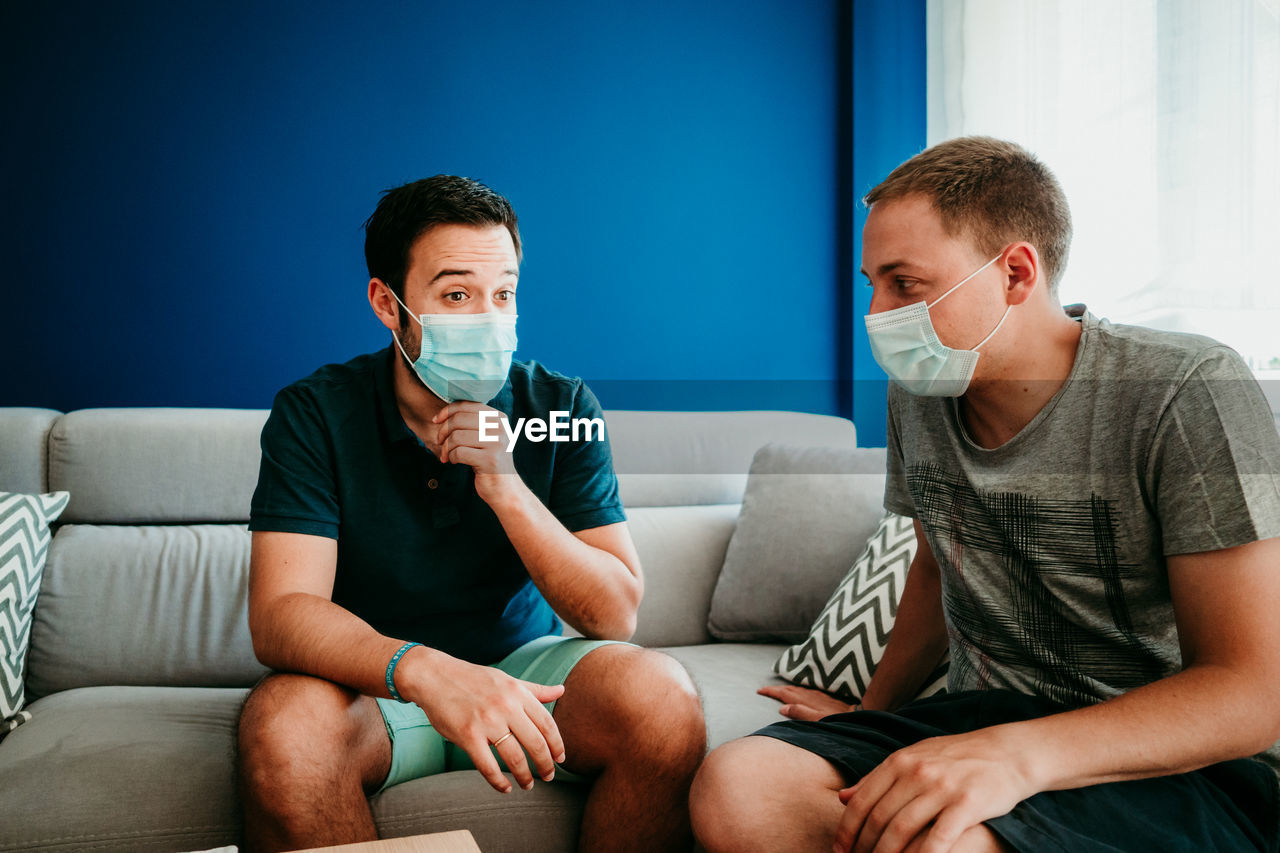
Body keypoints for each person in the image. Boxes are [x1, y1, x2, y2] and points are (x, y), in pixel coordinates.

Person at [689, 136, 1280, 853]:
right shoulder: (923, 394)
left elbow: (1252, 692)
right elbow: (937, 565)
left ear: (1016, 273)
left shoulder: (1183, 391)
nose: (877, 313)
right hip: (981, 718)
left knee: (946, 843)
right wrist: (867, 714)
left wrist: (1016, 757)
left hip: (1177, 763)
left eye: (905, 283)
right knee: (739, 783)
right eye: (871, 283)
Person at [236, 175, 705, 853]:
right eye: (457, 295)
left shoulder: (562, 406)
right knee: (282, 727)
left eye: (504, 294)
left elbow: (614, 614)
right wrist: (430, 672)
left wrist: (506, 485)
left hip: (529, 675)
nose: (488, 319)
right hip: (374, 686)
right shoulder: (316, 413)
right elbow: (280, 613)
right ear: (387, 304)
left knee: (663, 700)